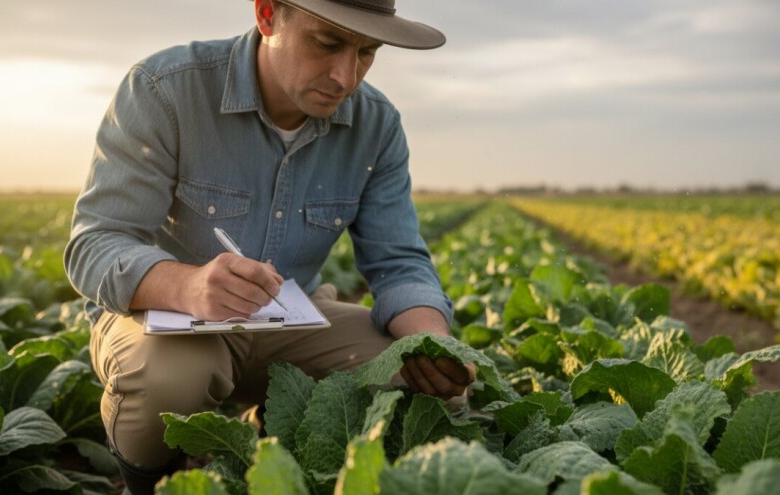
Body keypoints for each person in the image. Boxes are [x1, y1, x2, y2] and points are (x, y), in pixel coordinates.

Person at [64, 1, 474, 493]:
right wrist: (189, 285)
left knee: (423, 384)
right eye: (327, 43)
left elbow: (400, 261)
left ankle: (274, 438)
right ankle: (152, 483)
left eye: (367, 52)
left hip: (293, 321)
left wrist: (432, 344)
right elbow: (94, 243)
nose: (346, 76)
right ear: (266, 15)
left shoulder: (377, 125)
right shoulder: (165, 89)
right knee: (167, 383)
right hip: (168, 323)